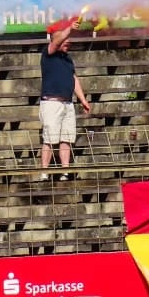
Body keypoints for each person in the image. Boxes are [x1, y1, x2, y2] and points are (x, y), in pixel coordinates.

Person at [39, 17, 91, 179]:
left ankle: (65, 171)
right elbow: (55, 44)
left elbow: (74, 79)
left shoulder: (67, 59)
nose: (68, 42)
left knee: (66, 139)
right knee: (49, 139)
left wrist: (82, 99)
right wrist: (70, 28)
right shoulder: (48, 54)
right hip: (51, 103)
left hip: (67, 103)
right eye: (65, 39)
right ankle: (44, 171)